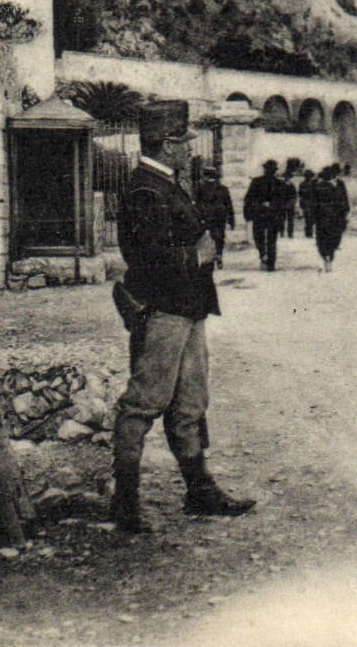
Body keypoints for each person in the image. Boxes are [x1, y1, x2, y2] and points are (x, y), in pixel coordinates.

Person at [111, 100, 255, 533]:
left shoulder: (165, 183)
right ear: (168, 144)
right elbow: (144, 258)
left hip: (187, 307)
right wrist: (198, 254)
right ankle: (126, 502)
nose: (190, 149)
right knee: (144, 401)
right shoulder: (145, 189)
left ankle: (199, 491)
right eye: (184, 142)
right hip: (163, 310)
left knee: (191, 402)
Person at [309, 164, 352, 272]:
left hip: (337, 215)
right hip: (322, 215)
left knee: (336, 237)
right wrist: (313, 214)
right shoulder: (317, 184)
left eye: (333, 174)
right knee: (322, 237)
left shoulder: (339, 183)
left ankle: (329, 255)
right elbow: (313, 200)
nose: (331, 176)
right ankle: (326, 257)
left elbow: (344, 197)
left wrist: (346, 210)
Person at [243, 160, 283, 271]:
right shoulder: (257, 182)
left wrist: (267, 205)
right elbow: (249, 198)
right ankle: (268, 260)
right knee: (269, 239)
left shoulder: (276, 183)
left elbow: (248, 199)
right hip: (265, 214)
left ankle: (266, 258)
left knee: (263, 238)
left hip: (263, 214)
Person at [194, 167, 234, 269]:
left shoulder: (201, 188)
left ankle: (210, 257)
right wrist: (231, 220)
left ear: (205, 176)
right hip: (220, 216)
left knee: (208, 236)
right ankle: (219, 254)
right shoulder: (223, 188)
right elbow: (228, 204)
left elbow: (197, 204)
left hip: (206, 216)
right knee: (220, 236)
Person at [297, 168, 319, 239]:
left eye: (309, 176)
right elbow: (300, 194)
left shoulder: (314, 184)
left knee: (312, 218)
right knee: (308, 218)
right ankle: (308, 233)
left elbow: (317, 193)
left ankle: (310, 231)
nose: (308, 177)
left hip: (313, 203)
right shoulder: (302, 184)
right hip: (306, 203)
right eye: (307, 176)